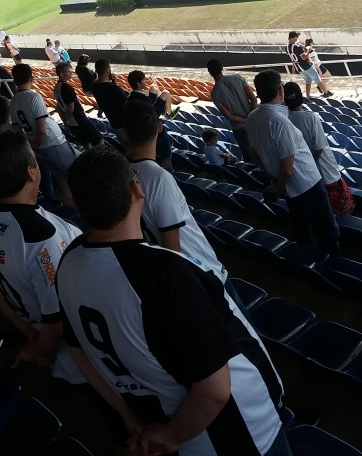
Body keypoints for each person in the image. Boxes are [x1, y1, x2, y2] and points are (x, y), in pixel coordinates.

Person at [58, 145, 289, 456]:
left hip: (164, 422)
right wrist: (170, 436)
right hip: (238, 434)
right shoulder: (166, 272)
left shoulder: (68, 261)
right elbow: (215, 390)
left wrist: (126, 414)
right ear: (136, 189)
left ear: (75, 202)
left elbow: (78, 350)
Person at [0, 129, 85, 375]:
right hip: (77, 354)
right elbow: (57, 321)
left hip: (38, 332)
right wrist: (40, 351)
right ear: (31, 172)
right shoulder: (41, 237)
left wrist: (29, 334)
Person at [125, 99, 229, 286]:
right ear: (159, 127)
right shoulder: (159, 178)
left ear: (125, 133)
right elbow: (172, 246)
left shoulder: (122, 171)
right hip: (200, 269)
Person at [245, 69, 339, 254]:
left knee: (301, 228)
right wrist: (279, 187)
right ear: (280, 90)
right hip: (308, 185)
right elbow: (288, 170)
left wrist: (274, 181)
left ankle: (309, 263)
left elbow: (256, 155)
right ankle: (334, 265)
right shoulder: (281, 123)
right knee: (326, 230)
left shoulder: (252, 118)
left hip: (286, 186)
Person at [9, 64, 79, 202]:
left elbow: (17, 130)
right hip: (53, 142)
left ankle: (73, 209)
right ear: (31, 78)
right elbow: (41, 129)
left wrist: (32, 148)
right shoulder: (34, 97)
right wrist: (37, 145)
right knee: (78, 172)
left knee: (62, 180)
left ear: (15, 81)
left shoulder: (13, 102)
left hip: (39, 147)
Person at [283, 82, 354, 218]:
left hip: (305, 172)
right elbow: (319, 147)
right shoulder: (311, 118)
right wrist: (312, 163)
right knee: (338, 208)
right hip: (324, 171)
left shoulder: (284, 120)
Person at [207, 58, 257, 161]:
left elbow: (229, 116)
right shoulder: (238, 78)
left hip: (239, 128)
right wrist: (252, 117)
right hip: (254, 122)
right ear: (222, 68)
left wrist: (245, 120)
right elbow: (253, 98)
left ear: (210, 72)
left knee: (249, 156)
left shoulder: (214, 94)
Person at [54, 61, 102, 147]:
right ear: (61, 74)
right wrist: (66, 120)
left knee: (86, 144)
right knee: (99, 140)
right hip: (80, 119)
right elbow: (71, 108)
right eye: (68, 71)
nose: (70, 73)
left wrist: (65, 122)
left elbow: (58, 107)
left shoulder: (56, 88)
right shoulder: (67, 87)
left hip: (72, 123)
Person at [286, 31, 330, 99]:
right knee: (317, 79)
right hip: (306, 66)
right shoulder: (297, 46)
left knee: (308, 81)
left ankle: (308, 96)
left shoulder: (287, 47)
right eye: (297, 37)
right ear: (294, 37)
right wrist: (308, 50)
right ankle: (326, 93)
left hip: (299, 68)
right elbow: (303, 57)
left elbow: (293, 57)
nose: (297, 38)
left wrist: (293, 67)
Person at [90, 59, 129, 130]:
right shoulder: (114, 89)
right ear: (108, 70)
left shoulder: (95, 86)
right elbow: (127, 101)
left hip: (112, 122)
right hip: (123, 123)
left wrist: (113, 81)